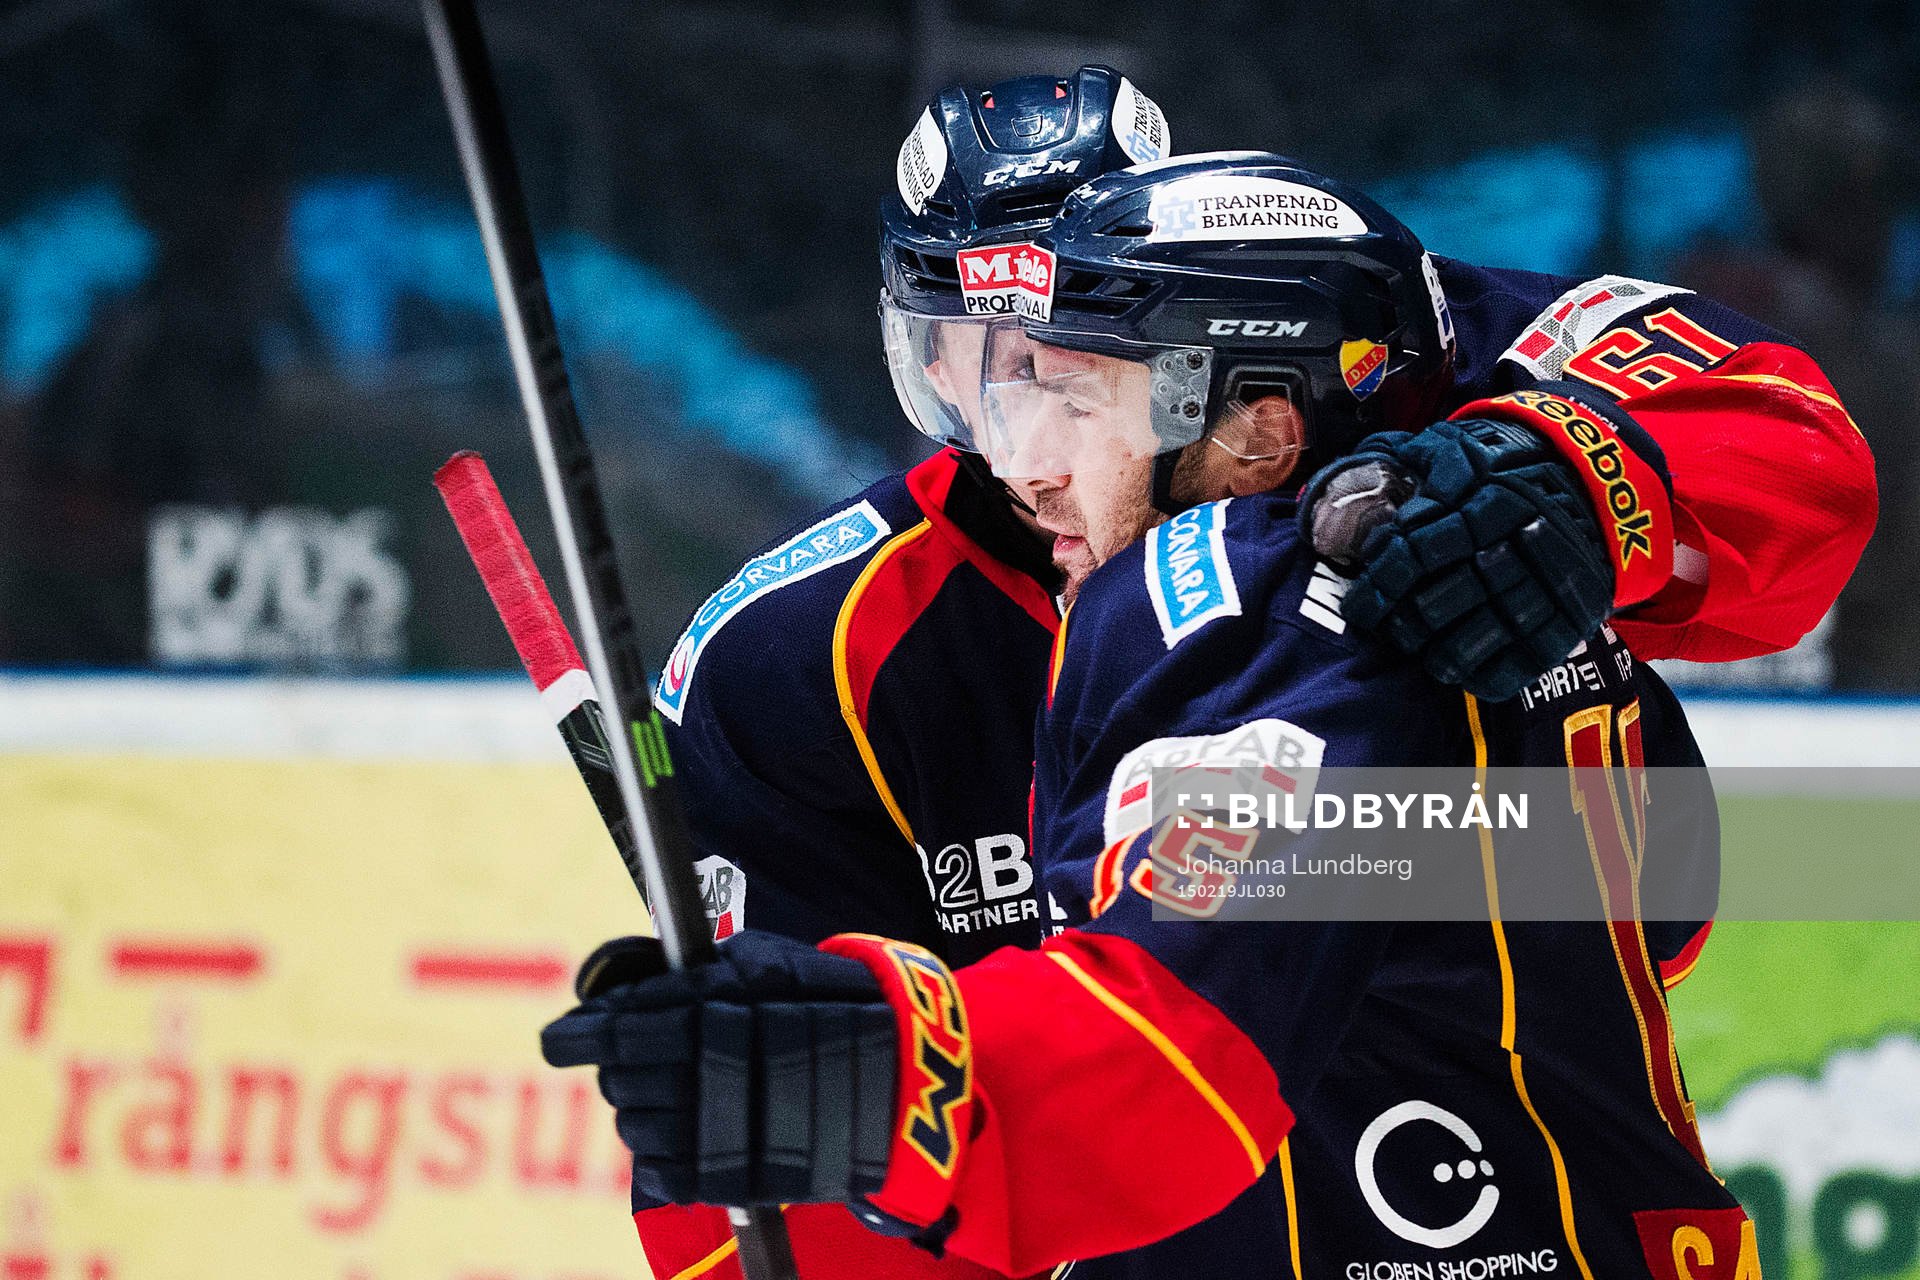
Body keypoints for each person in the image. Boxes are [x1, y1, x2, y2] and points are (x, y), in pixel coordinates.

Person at [547, 152, 1870, 1277]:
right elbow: (1666, 887)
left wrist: (859, 1071)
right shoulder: (851, 635)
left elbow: (1165, 1062)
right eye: (996, 386)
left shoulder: (1210, 594)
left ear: (1257, 422)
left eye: (1077, 395)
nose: (1024, 461)